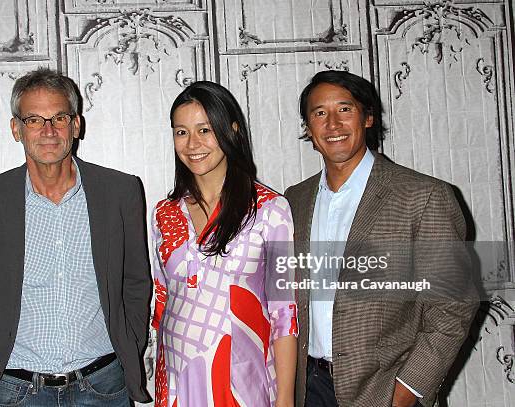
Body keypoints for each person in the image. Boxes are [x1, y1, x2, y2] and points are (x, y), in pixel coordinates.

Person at [0, 67, 152, 406]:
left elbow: (136, 281)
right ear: (16, 129)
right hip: (14, 389)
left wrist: (129, 341)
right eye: (34, 120)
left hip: (103, 384)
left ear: (76, 124)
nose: (49, 131)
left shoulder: (119, 192)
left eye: (58, 118)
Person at [284, 70, 478, 407]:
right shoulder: (294, 200)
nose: (332, 123)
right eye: (319, 113)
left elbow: (454, 305)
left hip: (385, 390)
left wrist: (409, 390)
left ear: (368, 117)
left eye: (345, 109)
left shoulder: (424, 196)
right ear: (308, 129)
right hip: (309, 389)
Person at [151, 81, 298, 407]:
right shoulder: (165, 213)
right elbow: (162, 302)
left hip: (241, 381)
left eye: (205, 130)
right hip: (177, 376)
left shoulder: (270, 209)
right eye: (181, 132)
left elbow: (284, 314)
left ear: (231, 131)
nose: (192, 144)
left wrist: (286, 399)